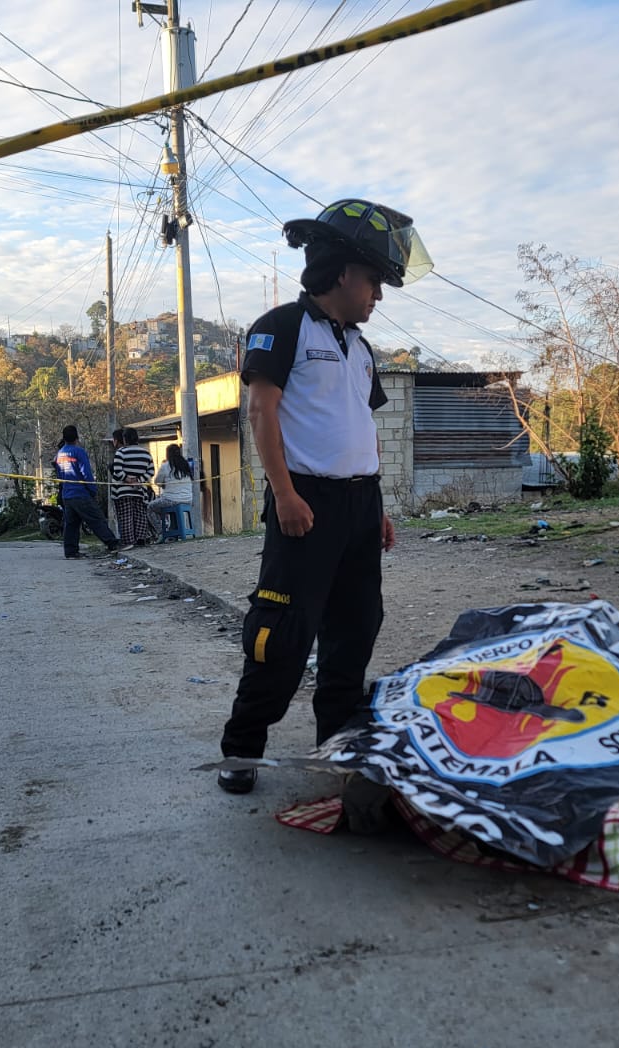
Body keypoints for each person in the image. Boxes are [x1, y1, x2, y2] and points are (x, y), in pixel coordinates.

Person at [217, 199, 431, 796]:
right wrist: (282, 492)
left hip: (360, 507)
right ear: (342, 273)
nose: (377, 298)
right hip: (303, 504)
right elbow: (261, 410)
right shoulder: (283, 327)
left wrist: (379, 508)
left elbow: (362, 432)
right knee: (283, 632)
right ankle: (242, 748)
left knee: (355, 628)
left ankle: (336, 743)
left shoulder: (362, 350)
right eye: (373, 283)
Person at [54, 425, 124, 559]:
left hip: (67, 494)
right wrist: (92, 489)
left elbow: (59, 474)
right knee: (96, 519)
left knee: (71, 524)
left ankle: (70, 551)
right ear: (76, 437)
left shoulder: (60, 453)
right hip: (80, 493)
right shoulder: (78, 452)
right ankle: (112, 543)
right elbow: (86, 473)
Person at [111, 428, 157, 546]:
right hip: (139, 491)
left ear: (125, 439)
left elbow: (117, 471)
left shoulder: (121, 452)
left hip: (122, 491)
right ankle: (141, 539)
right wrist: (138, 480)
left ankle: (129, 542)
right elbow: (151, 471)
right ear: (137, 439)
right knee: (140, 514)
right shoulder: (146, 453)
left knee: (126, 516)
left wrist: (127, 479)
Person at [148, 443, 195, 537]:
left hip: (171, 499)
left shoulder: (166, 466)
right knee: (170, 508)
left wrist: (165, 485)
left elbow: (157, 481)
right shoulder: (186, 465)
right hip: (188, 499)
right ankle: (174, 530)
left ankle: (162, 532)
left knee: (150, 507)